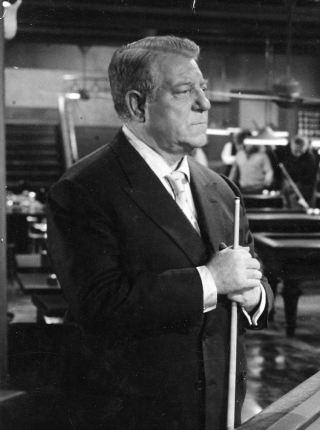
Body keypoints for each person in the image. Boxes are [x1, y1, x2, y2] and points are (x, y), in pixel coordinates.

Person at [46, 35, 273, 430]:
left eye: (203, 88)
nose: (205, 103)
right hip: (133, 417)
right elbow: (99, 305)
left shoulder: (222, 189)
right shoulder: (83, 188)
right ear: (138, 105)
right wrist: (211, 280)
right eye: (185, 91)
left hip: (218, 412)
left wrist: (254, 294)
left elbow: (257, 288)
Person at [275, 135, 319, 207]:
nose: (298, 153)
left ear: (304, 148)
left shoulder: (310, 159)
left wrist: (296, 186)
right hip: (289, 191)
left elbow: (309, 179)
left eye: (300, 151)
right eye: (295, 151)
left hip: (304, 194)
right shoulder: (286, 154)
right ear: (292, 147)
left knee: (298, 211)